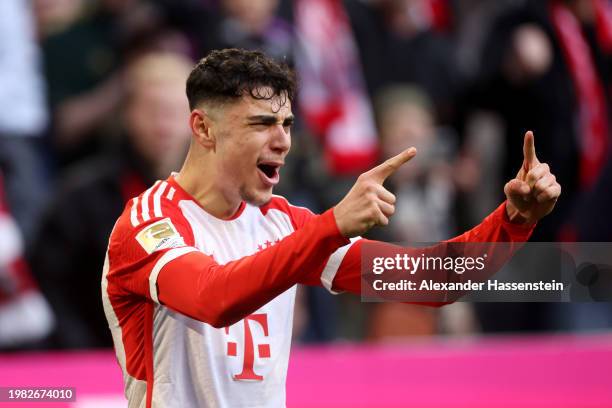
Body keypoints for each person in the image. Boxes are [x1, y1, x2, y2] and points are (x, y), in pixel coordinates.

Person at [102, 48, 561, 407]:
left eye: (287, 123)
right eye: (262, 124)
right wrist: (333, 226)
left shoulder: (284, 223)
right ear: (203, 129)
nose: (283, 141)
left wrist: (514, 221)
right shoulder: (148, 223)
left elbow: (432, 279)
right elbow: (212, 297)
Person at [32, 52, 192, 348]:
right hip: (98, 359)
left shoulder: (220, 198)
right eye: (153, 110)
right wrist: (82, 352)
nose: (163, 125)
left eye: (174, 112)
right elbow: (51, 284)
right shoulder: (81, 197)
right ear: (129, 115)